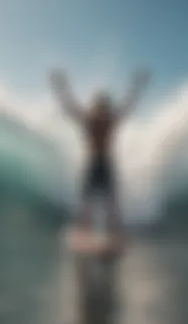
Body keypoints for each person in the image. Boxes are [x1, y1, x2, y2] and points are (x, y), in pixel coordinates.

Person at [48, 68, 151, 244]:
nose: (102, 109)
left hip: (105, 164)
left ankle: (115, 235)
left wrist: (137, 86)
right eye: (100, 106)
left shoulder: (111, 120)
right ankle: (82, 234)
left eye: (104, 106)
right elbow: (70, 107)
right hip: (93, 164)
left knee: (111, 203)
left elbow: (128, 105)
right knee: (86, 203)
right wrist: (61, 87)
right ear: (95, 106)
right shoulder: (88, 119)